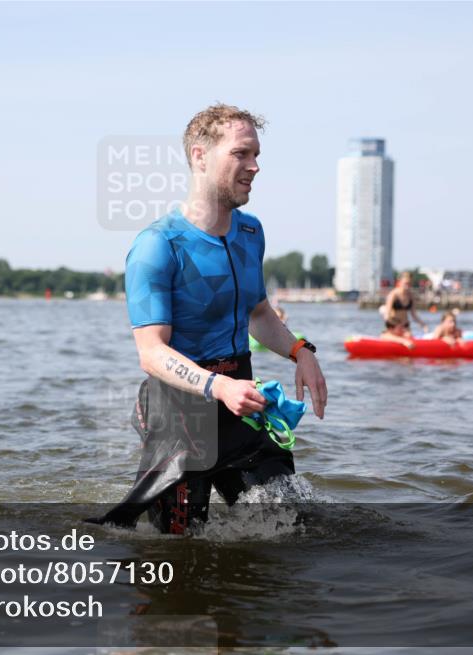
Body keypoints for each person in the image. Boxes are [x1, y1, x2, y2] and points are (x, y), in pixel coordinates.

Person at [93, 104, 327, 534]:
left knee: (292, 527)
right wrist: (218, 386)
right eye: (241, 153)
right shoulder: (157, 245)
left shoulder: (251, 233)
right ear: (200, 156)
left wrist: (300, 351)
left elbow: (259, 312)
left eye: (256, 155)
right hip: (180, 414)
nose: (254, 166)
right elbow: (151, 352)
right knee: (177, 547)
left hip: (242, 403)